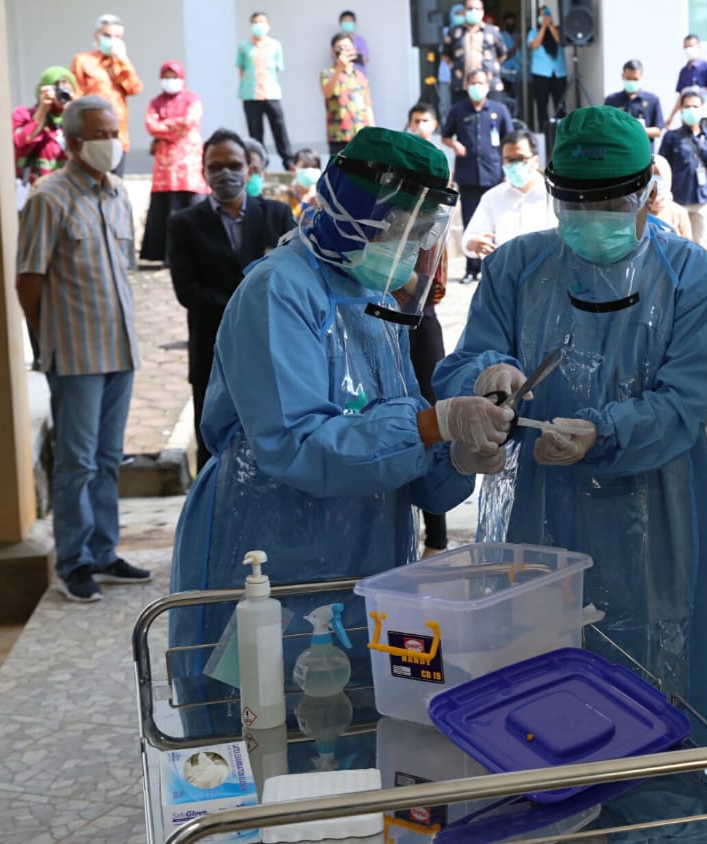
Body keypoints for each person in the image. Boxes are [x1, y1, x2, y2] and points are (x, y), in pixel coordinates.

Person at [432, 106, 707, 722]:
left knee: (649, 673)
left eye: (609, 200)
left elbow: (688, 398)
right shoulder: (517, 266)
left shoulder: (692, 276)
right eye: (576, 200)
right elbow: (470, 358)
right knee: (537, 666)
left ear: (649, 186)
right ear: (552, 191)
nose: (592, 217)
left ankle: (653, 805)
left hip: (654, 503)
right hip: (540, 497)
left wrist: (608, 430)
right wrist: (486, 384)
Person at [168, 126, 514, 652]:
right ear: (359, 213)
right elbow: (296, 445)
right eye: (405, 228)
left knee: (358, 709)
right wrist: (432, 425)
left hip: (369, 553)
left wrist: (457, 457)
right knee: (267, 709)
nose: (416, 245)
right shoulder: (279, 290)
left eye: (425, 230)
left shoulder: (376, 299)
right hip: (271, 550)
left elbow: (396, 430)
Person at [15, 96, 150, 603]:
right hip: (74, 356)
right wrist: (45, 344)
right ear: (73, 142)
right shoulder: (48, 199)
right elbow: (28, 280)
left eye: (114, 130)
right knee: (77, 463)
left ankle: (103, 550)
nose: (111, 141)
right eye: (100, 133)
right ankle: (73, 562)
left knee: (110, 458)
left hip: (120, 351)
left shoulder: (117, 194)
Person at [167, 128, 295, 471]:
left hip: (274, 353)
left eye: (234, 164)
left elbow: (295, 278)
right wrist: (246, 311)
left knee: (273, 447)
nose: (225, 173)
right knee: (215, 455)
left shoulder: (278, 216)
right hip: (213, 355)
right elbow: (188, 291)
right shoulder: (184, 224)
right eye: (216, 166)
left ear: (250, 169)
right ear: (203, 170)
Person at [405, 105, 455, 558]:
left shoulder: (434, 221)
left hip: (419, 324)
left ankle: (436, 537)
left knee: (429, 417)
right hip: (377, 322)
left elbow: (431, 287)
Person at [441, 69, 513, 283]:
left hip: (493, 173)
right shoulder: (458, 111)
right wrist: (454, 144)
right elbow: (445, 135)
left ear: (488, 86)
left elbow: (508, 139)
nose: (476, 86)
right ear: (466, 86)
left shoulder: (499, 110)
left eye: (481, 82)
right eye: (472, 82)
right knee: (470, 221)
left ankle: (493, 267)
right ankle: (471, 268)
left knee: (495, 223)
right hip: (468, 174)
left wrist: (507, 172)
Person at [140, 61, 208, 264]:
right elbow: (151, 125)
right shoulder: (155, 102)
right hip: (165, 165)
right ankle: (164, 255)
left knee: (189, 203)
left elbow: (190, 121)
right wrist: (173, 126)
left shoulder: (192, 99)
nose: (170, 81)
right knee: (165, 207)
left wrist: (165, 125)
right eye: (166, 76)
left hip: (189, 163)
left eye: (174, 76)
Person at [462, 129, 557, 262]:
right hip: (506, 274)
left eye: (520, 159)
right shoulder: (493, 197)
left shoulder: (555, 195)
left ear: (536, 161)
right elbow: (470, 239)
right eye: (509, 160)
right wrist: (474, 243)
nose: (515, 165)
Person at [658, 87, 707, 243]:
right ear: (681, 110)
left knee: (700, 245)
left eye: (695, 106)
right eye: (687, 107)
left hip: (702, 200)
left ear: (703, 109)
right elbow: (660, 167)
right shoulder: (671, 138)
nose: (691, 110)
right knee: (675, 246)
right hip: (676, 200)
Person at [71, 13, 143, 174]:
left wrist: (123, 60)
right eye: (107, 35)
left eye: (117, 37)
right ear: (97, 36)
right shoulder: (83, 60)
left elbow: (135, 88)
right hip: (92, 136)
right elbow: (75, 97)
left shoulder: (121, 63)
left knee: (115, 188)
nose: (112, 40)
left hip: (119, 136)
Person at [237, 11, 293, 170]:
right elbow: (241, 69)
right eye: (255, 22)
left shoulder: (275, 45)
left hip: (271, 92)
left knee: (279, 128)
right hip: (251, 94)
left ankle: (288, 160)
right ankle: (259, 162)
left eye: (261, 22)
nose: (258, 26)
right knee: (255, 131)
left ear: (268, 26)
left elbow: (277, 68)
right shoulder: (243, 46)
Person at [13, 67, 77, 199]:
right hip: (34, 193)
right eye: (58, 90)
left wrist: (76, 111)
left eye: (67, 90)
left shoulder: (74, 118)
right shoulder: (24, 115)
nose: (63, 96)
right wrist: (42, 110)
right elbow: (20, 141)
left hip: (67, 193)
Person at [442, 0, 507, 106]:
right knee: (461, 118)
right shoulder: (454, 32)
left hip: (490, 86)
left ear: (482, 11)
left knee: (492, 118)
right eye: (470, 9)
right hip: (461, 86)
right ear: (464, 11)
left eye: (476, 9)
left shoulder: (492, 31)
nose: (473, 11)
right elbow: (446, 55)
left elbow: (502, 55)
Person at [322, 32, 375, 157]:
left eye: (348, 48)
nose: (344, 51)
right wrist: (339, 68)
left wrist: (373, 130)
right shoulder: (328, 73)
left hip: (361, 134)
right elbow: (327, 92)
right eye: (340, 48)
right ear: (333, 52)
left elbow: (367, 105)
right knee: (339, 173)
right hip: (338, 136)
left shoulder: (360, 76)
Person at [604, 60, 664, 150]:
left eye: (635, 79)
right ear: (622, 77)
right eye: (628, 79)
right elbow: (605, 127)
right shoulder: (611, 100)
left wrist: (636, 130)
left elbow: (658, 131)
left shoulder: (652, 100)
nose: (631, 82)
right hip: (619, 152)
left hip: (643, 154)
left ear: (641, 77)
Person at [527, 6, 567, 132]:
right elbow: (534, 44)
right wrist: (543, 27)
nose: (545, 17)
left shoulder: (558, 30)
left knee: (560, 105)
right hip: (541, 73)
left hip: (558, 73)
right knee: (542, 105)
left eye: (547, 14)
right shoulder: (533, 32)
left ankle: (562, 132)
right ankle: (544, 133)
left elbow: (560, 40)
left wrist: (550, 26)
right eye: (542, 15)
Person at [668, 34, 707, 128]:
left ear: (698, 46)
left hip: (702, 114)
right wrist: (672, 116)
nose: (688, 49)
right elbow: (681, 96)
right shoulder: (684, 71)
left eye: (691, 46)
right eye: (686, 47)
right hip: (686, 115)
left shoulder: (706, 67)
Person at [646, 153, 692, 239]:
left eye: (657, 174)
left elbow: (689, 247)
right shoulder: (638, 213)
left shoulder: (678, 212)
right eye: (651, 175)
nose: (655, 180)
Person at [435, 4, 465, 123]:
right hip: (446, 75)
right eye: (458, 14)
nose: (461, 17)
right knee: (445, 104)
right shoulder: (445, 32)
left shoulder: (467, 32)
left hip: (462, 77)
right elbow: (444, 51)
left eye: (463, 14)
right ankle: (445, 125)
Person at [286, 148, 323, 221]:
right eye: (305, 167)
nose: (310, 170)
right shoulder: (288, 195)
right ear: (294, 169)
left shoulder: (323, 195)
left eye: (314, 167)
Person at [499, 10, 522, 112]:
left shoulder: (518, 35)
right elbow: (504, 56)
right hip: (505, 73)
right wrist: (516, 45)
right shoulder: (501, 36)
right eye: (508, 23)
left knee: (518, 100)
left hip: (518, 74)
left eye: (512, 23)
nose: (510, 25)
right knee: (506, 100)